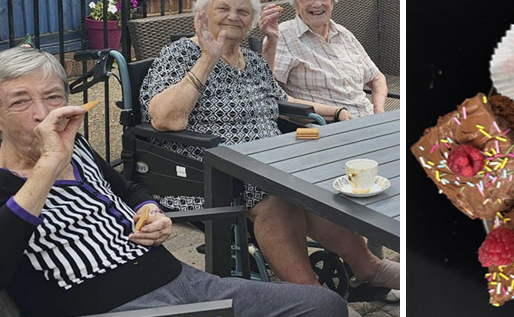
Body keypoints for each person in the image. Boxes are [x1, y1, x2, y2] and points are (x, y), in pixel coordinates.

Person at [0, 46, 352, 317]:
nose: (43, 113)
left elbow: (129, 188)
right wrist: (48, 165)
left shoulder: (77, 147)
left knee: (322, 305)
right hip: (110, 307)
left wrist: (151, 211)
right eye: (20, 101)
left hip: (185, 281)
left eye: (52, 97)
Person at [139, 0, 399, 292]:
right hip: (207, 171)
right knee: (276, 196)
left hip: (269, 160)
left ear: (250, 23)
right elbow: (165, 119)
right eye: (223, 8)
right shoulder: (181, 54)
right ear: (202, 14)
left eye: (243, 11)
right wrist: (209, 56)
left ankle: (369, 267)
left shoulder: (251, 60)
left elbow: (279, 103)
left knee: (320, 187)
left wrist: (334, 115)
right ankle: (312, 295)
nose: (233, 15)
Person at [259, 0, 389, 118]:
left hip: (368, 120)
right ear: (295, 4)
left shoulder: (343, 34)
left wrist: (379, 110)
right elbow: (265, 88)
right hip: (326, 126)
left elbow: (376, 77)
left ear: (332, 1)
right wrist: (270, 43)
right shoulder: (283, 36)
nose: (316, 3)